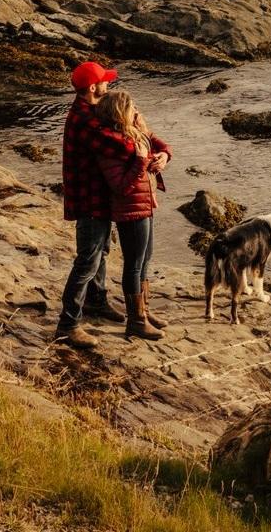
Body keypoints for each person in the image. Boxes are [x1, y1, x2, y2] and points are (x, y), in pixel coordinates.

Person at [51, 62, 171, 350]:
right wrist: (140, 141)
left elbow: (132, 134)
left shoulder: (93, 110)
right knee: (88, 260)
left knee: (101, 253)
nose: (109, 85)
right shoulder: (84, 118)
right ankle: (67, 325)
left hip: (99, 197)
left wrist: (161, 150)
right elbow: (123, 144)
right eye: (104, 81)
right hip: (89, 200)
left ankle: (97, 302)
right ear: (93, 88)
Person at [94, 90, 168, 341]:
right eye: (130, 106)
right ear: (118, 112)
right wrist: (139, 161)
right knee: (134, 264)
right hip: (130, 210)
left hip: (145, 204)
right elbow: (121, 187)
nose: (135, 109)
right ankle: (136, 321)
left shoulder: (134, 133)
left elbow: (161, 145)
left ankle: (143, 312)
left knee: (145, 259)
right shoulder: (110, 144)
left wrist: (162, 157)